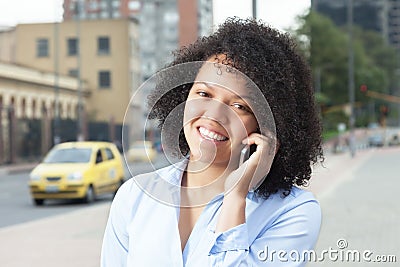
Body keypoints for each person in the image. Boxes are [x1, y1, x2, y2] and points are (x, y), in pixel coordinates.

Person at [101, 17, 324, 266]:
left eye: (240, 106)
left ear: (268, 126)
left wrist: (235, 197)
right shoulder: (134, 196)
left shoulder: (293, 212)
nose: (214, 115)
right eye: (204, 93)